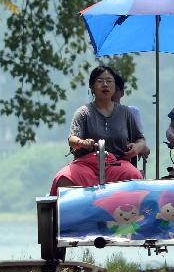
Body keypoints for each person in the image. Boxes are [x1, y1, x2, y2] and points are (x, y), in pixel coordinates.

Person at [50, 66, 146, 195]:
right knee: (63, 178)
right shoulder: (83, 112)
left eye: (109, 81)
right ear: (92, 88)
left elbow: (140, 139)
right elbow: (72, 139)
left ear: (114, 86)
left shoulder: (125, 112)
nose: (105, 84)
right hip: (86, 164)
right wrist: (82, 143)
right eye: (100, 81)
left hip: (116, 163)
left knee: (133, 175)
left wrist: (137, 147)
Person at [111, 73, 151, 158]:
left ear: (122, 93)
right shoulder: (94, 114)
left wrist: (141, 146)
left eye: (115, 90)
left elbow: (140, 139)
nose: (111, 94)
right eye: (109, 90)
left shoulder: (132, 112)